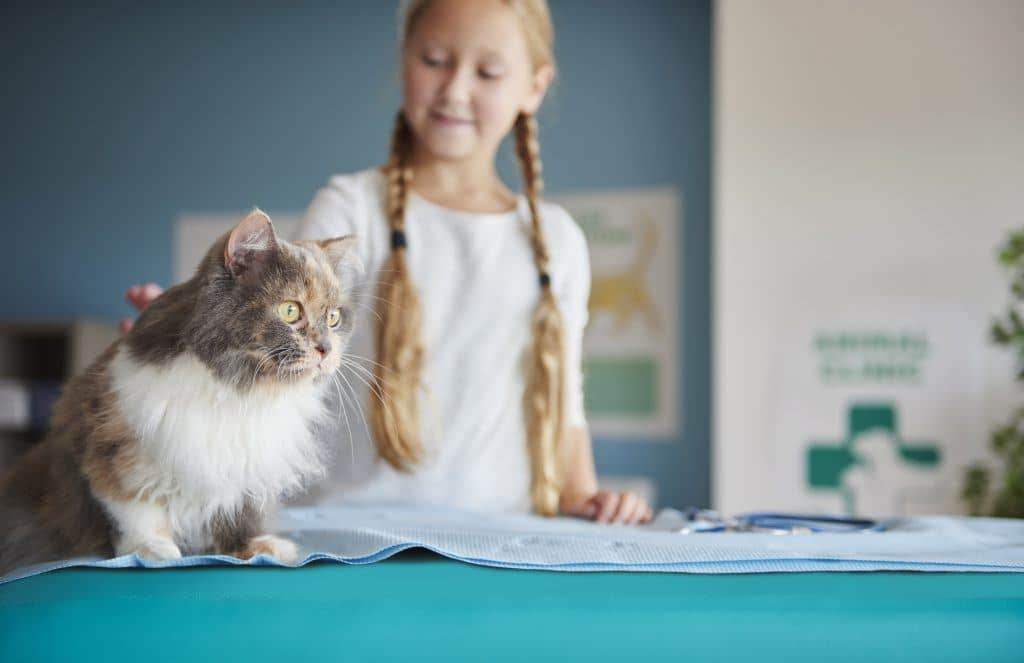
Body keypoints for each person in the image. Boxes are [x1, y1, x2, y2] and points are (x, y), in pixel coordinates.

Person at [124, 0, 653, 525]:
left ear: (534, 88)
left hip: (503, 540)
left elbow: (564, 405)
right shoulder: (351, 208)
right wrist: (197, 343)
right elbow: (287, 359)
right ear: (405, 62)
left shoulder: (557, 240)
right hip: (350, 535)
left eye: (488, 72)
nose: (455, 89)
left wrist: (585, 495)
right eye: (434, 60)